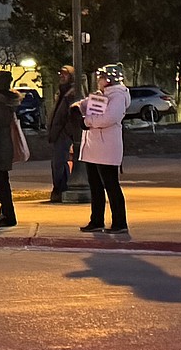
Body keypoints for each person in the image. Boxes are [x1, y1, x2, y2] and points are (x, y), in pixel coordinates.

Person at [73, 63, 129, 234]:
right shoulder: (102, 95)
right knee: (95, 185)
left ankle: (120, 222)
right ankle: (96, 220)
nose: (99, 80)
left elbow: (110, 117)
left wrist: (86, 122)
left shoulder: (118, 96)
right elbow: (85, 106)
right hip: (93, 147)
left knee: (111, 185)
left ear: (109, 79)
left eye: (102, 78)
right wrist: (77, 107)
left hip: (107, 148)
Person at [0, 70, 21, 228]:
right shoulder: (6, 100)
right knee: (1, 181)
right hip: (3, 144)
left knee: (0, 182)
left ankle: (8, 214)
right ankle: (5, 212)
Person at [47, 65, 78, 202]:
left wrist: (66, 132)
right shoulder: (62, 92)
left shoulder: (72, 93)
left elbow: (72, 115)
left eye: (65, 74)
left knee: (60, 162)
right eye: (60, 73)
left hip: (63, 134)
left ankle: (61, 189)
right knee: (57, 163)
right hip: (58, 133)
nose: (61, 76)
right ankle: (60, 188)